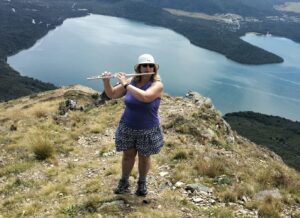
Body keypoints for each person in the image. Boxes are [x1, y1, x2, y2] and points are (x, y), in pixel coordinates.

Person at [101, 54, 164, 196]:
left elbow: (146, 97)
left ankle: (142, 182)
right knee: (127, 156)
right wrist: (106, 81)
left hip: (148, 129)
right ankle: (124, 181)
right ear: (139, 67)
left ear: (154, 68)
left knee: (144, 157)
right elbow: (111, 94)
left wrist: (125, 84)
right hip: (128, 126)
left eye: (150, 66)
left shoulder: (157, 85)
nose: (147, 68)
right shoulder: (131, 81)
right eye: (144, 66)